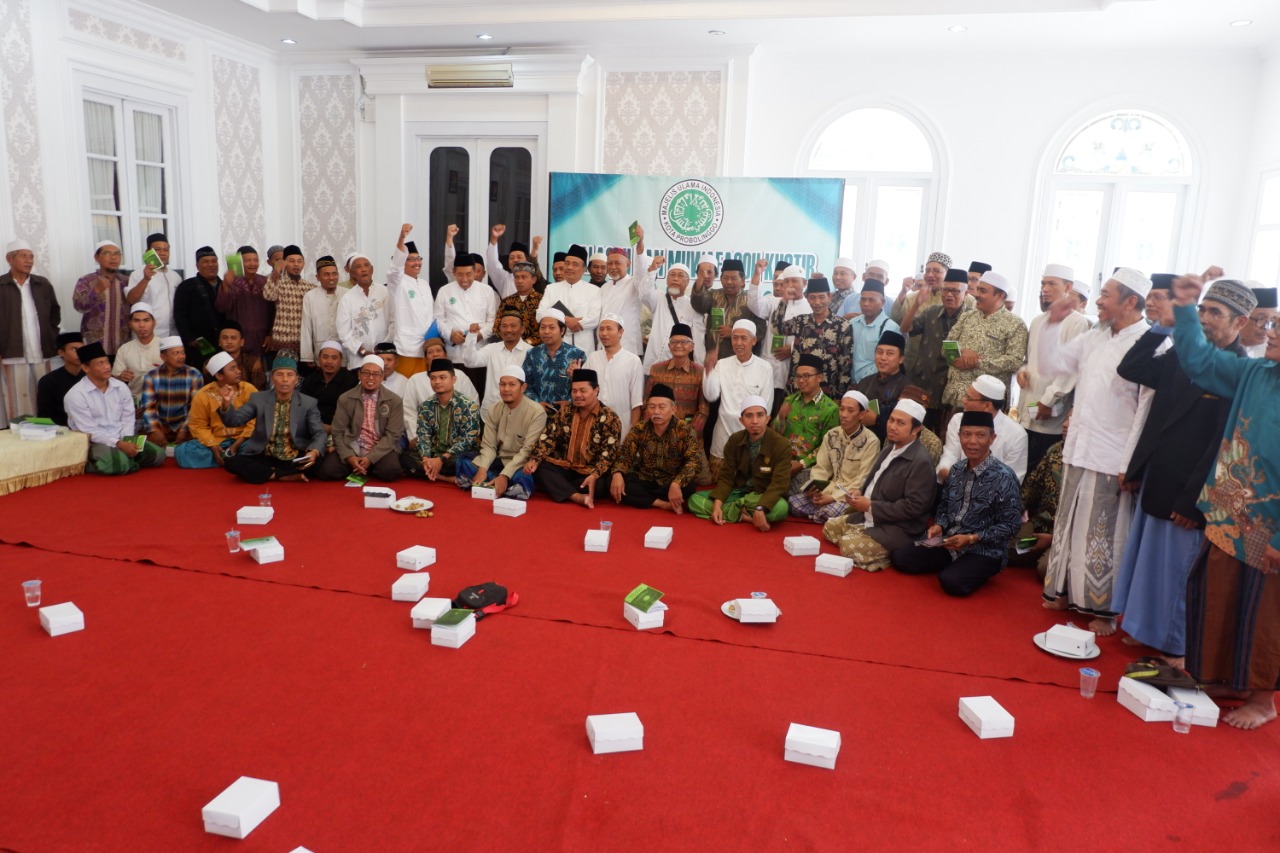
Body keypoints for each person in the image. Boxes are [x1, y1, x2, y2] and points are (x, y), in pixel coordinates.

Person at [1112, 279, 1254, 665]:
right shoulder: (1183, 353)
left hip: (1189, 492)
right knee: (1148, 566)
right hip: (1157, 476)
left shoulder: (1239, 371)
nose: (1204, 318)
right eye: (1202, 309)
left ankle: (1174, 647)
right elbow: (1133, 367)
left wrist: (1195, 502)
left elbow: (1221, 446)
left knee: (1177, 573)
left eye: (1215, 313)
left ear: (1240, 323)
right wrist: (1162, 325)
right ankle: (1145, 631)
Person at [1170, 274, 1280, 729]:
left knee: (1264, 613)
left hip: (1269, 528)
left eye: (1279, 329)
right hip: (1228, 511)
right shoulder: (1256, 371)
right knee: (1218, 597)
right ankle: (1223, 677)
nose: (1270, 332)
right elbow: (1198, 360)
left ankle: (1262, 699)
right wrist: (1184, 308)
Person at [1038, 268, 1153, 635]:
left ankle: (1104, 610)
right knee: (1069, 525)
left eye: (1106, 294)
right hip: (1078, 446)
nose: (1098, 301)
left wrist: (1129, 464)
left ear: (1131, 302)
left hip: (1113, 455)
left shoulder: (1150, 343)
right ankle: (1062, 592)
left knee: (1106, 533)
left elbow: (1146, 414)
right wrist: (1055, 322)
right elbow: (1051, 363)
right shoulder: (1094, 337)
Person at [891, 411, 1023, 596]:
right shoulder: (956, 470)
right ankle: (955, 563)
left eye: (980, 435)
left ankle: (968, 567)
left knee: (952, 583)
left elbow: (1011, 525)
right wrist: (939, 525)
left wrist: (972, 538)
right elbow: (944, 505)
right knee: (901, 558)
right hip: (950, 540)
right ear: (959, 436)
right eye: (966, 434)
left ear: (992, 438)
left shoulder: (1004, 477)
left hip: (984, 548)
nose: (972, 442)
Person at [821, 399, 938, 571]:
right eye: (891, 420)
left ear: (916, 429)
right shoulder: (890, 447)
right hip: (870, 515)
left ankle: (888, 555)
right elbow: (875, 483)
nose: (892, 426)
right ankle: (864, 539)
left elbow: (914, 507)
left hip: (898, 528)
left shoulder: (920, 462)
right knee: (830, 528)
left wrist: (870, 506)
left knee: (848, 546)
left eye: (901, 423)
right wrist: (859, 492)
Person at [1017, 264, 1091, 473]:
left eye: (1052, 283)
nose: (1045, 288)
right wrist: (1023, 371)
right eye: (1043, 283)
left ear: (1068, 287)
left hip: (1050, 413)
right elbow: (1031, 358)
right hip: (1027, 407)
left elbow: (1070, 371)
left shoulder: (1077, 323)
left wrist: (1047, 401)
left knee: (1041, 471)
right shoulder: (1038, 320)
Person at [689, 395, 792, 530]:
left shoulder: (781, 444)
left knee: (781, 508)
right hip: (738, 492)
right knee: (693, 500)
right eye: (749, 416)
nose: (755, 421)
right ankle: (745, 516)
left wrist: (761, 507)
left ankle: (740, 510)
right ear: (742, 420)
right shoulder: (735, 440)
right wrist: (717, 504)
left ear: (767, 419)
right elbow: (726, 477)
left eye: (759, 415)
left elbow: (780, 484)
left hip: (762, 496)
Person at [219, 357, 327, 484]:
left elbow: (319, 432)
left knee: (319, 463)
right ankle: (280, 475)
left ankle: (266, 473)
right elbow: (235, 421)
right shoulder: (258, 398)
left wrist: (314, 451)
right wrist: (226, 405)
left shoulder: (308, 402)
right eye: (280, 375)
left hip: (294, 455)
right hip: (265, 455)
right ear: (272, 378)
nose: (285, 379)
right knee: (231, 462)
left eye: (290, 375)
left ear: (296, 379)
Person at [526, 368, 622, 507]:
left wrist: (594, 475)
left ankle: (563, 490)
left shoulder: (610, 418)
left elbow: (609, 454)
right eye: (574, 391)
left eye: (583, 391)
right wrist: (534, 460)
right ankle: (576, 496)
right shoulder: (565, 412)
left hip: (590, 473)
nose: (577, 395)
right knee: (540, 467)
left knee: (604, 484)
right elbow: (548, 438)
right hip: (566, 469)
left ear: (596, 390)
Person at [64, 341, 164, 475]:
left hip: (121, 437)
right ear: (85, 368)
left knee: (158, 455)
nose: (106, 367)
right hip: (94, 441)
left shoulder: (120, 387)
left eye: (107, 362)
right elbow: (89, 430)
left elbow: (128, 417)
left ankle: (123, 461)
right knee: (117, 464)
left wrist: (126, 439)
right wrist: (118, 443)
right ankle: (88, 463)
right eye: (100, 363)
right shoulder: (76, 395)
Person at [940, 270, 1028, 415]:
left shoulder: (1015, 324)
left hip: (985, 401)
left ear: (1000, 295)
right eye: (978, 289)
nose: (977, 294)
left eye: (983, 291)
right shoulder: (967, 317)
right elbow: (946, 347)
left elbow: (1014, 361)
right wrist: (961, 354)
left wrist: (977, 362)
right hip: (954, 397)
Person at [788, 389, 881, 523]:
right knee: (793, 503)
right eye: (841, 409)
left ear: (861, 415)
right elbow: (821, 467)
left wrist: (833, 498)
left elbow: (862, 480)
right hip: (828, 490)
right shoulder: (832, 435)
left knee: (829, 511)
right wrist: (817, 491)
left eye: (850, 411)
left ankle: (823, 515)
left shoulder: (871, 441)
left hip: (849, 496)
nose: (844, 415)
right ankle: (823, 516)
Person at [608, 383, 702, 513]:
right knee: (615, 481)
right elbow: (625, 454)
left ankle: (647, 500)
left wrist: (677, 483)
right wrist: (618, 473)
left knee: (690, 485)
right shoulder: (639, 429)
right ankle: (662, 504)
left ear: (673, 409)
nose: (656, 412)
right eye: (652, 407)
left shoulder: (686, 430)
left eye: (661, 407)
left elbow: (694, 462)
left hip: (671, 481)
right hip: (645, 479)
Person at [456, 365, 545, 500]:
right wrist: (483, 468)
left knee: (525, 474)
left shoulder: (536, 412)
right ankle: (502, 485)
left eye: (512, 385)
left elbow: (527, 451)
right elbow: (489, 445)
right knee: (463, 461)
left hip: (519, 463)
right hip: (497, 460)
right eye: (502, 384)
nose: (506, 389)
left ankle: (496, 482)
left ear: (523, 387)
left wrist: (505, 475)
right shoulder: (494, 409)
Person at [314, 354, 405, 482]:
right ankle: (357, 465)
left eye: (376, 374)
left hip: (380, 448)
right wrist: (350, 457)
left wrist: (371, 458)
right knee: (327, 471)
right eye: (366, 373)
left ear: (382, 376)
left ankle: (365, 465)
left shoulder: (394, 400)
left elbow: (393, 435)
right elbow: (338, 432)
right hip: (352, 446)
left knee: (390, 471)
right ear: (359, 375)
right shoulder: (345, 398)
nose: (370, 378)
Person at [902, 269, 972, 432]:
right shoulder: (931, 312)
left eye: (955, 291)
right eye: (945, 290)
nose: (949, 295)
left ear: (966, 293)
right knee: (918, 432)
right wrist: (917, 304)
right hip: (924, 382)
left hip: (951, 388)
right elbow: (905, 328)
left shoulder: (972, 318)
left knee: (945, 434)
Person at [702, 319, 773, 476]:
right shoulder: (722, 364)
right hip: (722, 435)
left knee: (745, 489)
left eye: (743, 338)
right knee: (717, 485)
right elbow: (711, 395)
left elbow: (766, 407)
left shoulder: (764, 368)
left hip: (749, 438)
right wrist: (708, 370)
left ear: (754, 340)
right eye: (735, 337)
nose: (738, 343)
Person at [1, 239, 61, 422]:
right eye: (23, 256)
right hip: (12, 353)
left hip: (42, 352)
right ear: (9, 259)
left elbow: (54, 313)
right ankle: (23, 444)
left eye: (31, 257)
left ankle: (46, 440)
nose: (29, 261)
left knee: (44, 397)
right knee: (19, 402)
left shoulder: (42, 284)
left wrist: (51, 336)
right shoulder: (1, 285)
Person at [937, 374, 1028, 483]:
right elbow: (950, 454)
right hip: (955, 485)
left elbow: (1012, 479)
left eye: (969, 398)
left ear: (987, 406)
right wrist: (945, 471)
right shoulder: (958, 420)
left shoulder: (1016, 435)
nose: (963, 401)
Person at [177, 350, 257, 469]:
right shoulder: (203, 395)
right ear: (219, 376)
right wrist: (213, 445)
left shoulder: (248, 389)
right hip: (217, 441)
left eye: (237, 367)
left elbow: (255, 420)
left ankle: (226, 459)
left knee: (258, 446)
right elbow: (198, 425)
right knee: (182, 451)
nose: (238, 371)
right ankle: (231, 459)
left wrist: (236, 445)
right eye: (232, 369)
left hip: (243, 440)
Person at [748, 261, 811, 409]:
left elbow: (814, 340)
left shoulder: (810, 307)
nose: (790, 285)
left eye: (794, 281)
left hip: (792, 372)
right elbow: (753, 304)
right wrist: (757, 274)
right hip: (768, 366)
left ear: (804, 282)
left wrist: (791, 349)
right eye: (786, 281)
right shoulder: (773, 302)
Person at [773, 353, 839, 494]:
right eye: (798, 376)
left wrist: (801, 464)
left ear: (819, 377)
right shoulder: (789, 401)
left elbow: (827, 447)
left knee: (796, 491)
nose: (801, 381)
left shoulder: (830, 409)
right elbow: (774, 435)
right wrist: (781, 418)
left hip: (809, 466)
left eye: (806, 376)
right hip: (783, 461)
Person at [404, 358, 480, 481]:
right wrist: (426, 458)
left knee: (466, 462)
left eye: (442, 377)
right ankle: (446, 477)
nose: (437, 382)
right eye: (433, 378)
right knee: (405, 457)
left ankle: (432, 472)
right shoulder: (426, 406)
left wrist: (442, 459)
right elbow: (423, 436)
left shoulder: (468, 406)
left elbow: (468, 440)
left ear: (453, 379)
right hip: (434, 453)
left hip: (454, 455)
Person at [778, 275, 852, 396]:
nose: (817, 302)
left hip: (827, 392)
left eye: (821, 297)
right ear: (807, 298)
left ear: (830, 297)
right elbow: (776, 328)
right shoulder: (800, 321)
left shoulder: (843, 326)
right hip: (797, 391)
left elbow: (846, 363)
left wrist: (840, 395)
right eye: (812, 297)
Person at [1013, 415, 1068, 577]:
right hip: (1040, 527)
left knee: (1045, 569)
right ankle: (1036, 550)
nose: (1064, 424)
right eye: (1067, 419)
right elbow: (1031, 488)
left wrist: (1052, 539)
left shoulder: (1094, 465)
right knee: (1005, 547)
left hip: (1067, 539)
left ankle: (1045, 552)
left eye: (1073, 420)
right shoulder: (1055, 451)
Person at [435, 250, 496, 387]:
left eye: (469, 274)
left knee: (478, 393)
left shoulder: (487, 291)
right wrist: (450, 335)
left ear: (475, 272)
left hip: (479, 353)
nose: (464, 279)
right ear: (454, 272)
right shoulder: (444, 291)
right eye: (460, 274)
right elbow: (438, 319)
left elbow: (492, 321)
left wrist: (479, 335)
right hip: (454, 355)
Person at [402, 336, 479, 442]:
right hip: (426, 436)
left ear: (446, 355)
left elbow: (472, 403)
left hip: (459, 436)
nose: (435, 354)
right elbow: (409, 411)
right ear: (425, 359)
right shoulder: (415, 380)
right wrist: (415, 437)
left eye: (438, 350)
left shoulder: (460, 375)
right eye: (430, 352)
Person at [690, 258, 765, 367]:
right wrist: (700, 282)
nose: (729, 282)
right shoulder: (713, 295)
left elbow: (761, 329)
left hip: (742, 363)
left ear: (743, 280)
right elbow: (699, 305)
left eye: (733, 278)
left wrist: (734, 333)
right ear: (720, 279)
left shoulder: (751, 301)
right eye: (725, 278)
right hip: (713, 361)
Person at [386, 224, 437, 377]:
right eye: (411, 259)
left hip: (426, 347)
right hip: (407, 347)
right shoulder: (397, 282)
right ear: (402, 262)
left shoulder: (424, 284)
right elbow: (395, 269)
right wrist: (402, 237)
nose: (417, 262)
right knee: (406, 388)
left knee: (423, 387)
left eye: (418, 258)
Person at [138, 336, 203, 448]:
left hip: (185, 424)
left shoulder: (194, 374)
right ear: (163, 357)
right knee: (144, 446)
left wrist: (184, 430)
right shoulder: (152, 376)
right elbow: (149, 407)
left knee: (198, 442)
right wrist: (155, 430)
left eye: (182, 352)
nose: (181, 357)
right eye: (176, 353)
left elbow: (197, 407)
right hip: (160, 424)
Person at [640, 259, 706, 366]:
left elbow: (698, 341)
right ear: (666, 280)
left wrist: (699, 368)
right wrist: (652, 270)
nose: (675, 278)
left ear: (688, 281)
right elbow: (644, 294)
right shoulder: (658, 299)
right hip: (651, 365)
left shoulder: (693, 307)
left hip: (677, 369)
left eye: (680, 275)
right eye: (672, 275)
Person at [584, 314, 644, 431]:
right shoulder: (593, 357)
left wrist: (632, 433)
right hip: (594, 424)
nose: (604, 333)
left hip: (622, 425)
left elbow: (636, 403)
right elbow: (585, 389)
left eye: (609, 329)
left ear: (620, 332)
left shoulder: (633, 360)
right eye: (601, 329)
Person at [173, 246, 227, 372]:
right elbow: (179, 315)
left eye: (214, 261)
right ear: (197, 265)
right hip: (197, 345)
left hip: (223, 344)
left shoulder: (224, 285)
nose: (211, 265)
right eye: (206, 262)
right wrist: (189, 339)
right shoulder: (187, 286)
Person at [541, 244, 602, 354]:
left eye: (575, 264)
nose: (569, 267)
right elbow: (540, 314)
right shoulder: (551, 289)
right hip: (556, 347)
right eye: (567, 263)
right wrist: (566, 320)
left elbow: (594, 318)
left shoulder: (594, 290)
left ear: (583, 269)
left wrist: (569, 322)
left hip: (584, 347)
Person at [855, 330, 914, 444]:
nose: (883, 358)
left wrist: (877, 420)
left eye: (890, 354)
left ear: (901, 359)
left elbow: (905, 424)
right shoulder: (864, 382)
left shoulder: (907, 388)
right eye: (879, 352)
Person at [72, 241, 130, 356]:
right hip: (94, 347)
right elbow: (79, 306)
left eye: (117, 254)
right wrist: (96, 290)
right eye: (107, 253)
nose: (113, 257)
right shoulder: (86, 280)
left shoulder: (127, 281)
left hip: (123, 346)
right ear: (97, 258)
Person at [523, 308, 585, 413]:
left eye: (552, 328)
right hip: (536, 413)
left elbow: (586, 387)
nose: (546, 331)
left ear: (562, 330)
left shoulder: (577, 355)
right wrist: (537, 403)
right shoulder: (532, 354)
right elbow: (525, 384)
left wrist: (570, 402)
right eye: (543, 327)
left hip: (568, 414)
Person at [215, 245, 273, 358]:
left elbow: (273, 311)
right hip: (240, 341)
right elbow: (222, 307)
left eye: (255, 260)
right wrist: (226, 285)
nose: (252, 264)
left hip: (262, 340)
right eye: (247, 260)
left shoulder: (265, 281)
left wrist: (270, 334)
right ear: (240, 263)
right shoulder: (231, 282)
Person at [337, 253, 392, 369]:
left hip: (385, 358)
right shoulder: (347, 299)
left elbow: (394, 322)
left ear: (372, 270)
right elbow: (344, 333)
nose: (363, 269)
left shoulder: (386, 292)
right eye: (358, 267)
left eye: (366, 265)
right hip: (358, 361)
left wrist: (383, 349)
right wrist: (362, 351)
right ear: (351, 273)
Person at [262, 245, 317, 361]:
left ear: (304, 263)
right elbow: (268, 296)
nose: (296, 264)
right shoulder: (278, 283)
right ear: (284, 263)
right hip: (281, 343)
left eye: (299, 261)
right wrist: (277, 270)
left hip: (304, 344)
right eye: (291, 261)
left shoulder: (310, 287)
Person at [124, 232, 181, 338]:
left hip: (172, 334)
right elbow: (131, 299)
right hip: (147, 334)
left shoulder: (176, 276)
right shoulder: (137, 274)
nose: (163, 253)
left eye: (166, 250)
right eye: (158, 249)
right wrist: (146, 279)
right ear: (148, 252)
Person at [475, 312, 532, 410]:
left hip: (520, 410)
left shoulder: (530, 352)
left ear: (522, 329)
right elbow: (470, 361)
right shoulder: (491, 348)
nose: (508, 330)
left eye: (513, 326)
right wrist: (472, 335)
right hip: (491, 409)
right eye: (504, 326)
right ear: (500, 329)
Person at [298, 340, 357, 435]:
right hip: (312, 428)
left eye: (334, 358)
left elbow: (353, 413)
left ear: (341, 360)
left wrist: (332, 428)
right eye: (325, 357)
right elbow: (303, 408)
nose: (329, 362)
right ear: (319, 358)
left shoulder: (350, 381)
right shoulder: (310, 380)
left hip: (341, 431)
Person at [299, 256, 345, 371]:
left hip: (345, 350)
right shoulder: (310, 296)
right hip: (321, 350)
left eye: (335, 274)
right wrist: (307, 356)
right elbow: (306, 328)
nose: (332, 278)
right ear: (317, 277)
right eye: (326, 274)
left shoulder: (347, 294)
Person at [850, 278, 898, 384]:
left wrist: (864, 383)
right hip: (850, 383)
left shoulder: (890, 328)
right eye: (863, 299)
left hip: (875, 384)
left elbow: (889, 362)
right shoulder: (852, 323)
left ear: (882, 302)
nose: (866, 304)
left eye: (871, 300)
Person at [112, 303, 162, 402]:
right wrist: (121, 377)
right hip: (133, 402)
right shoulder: (125, 349)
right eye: (136, 321)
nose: (141, 325)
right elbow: (114, 380)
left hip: (162, 401)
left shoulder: (164, 346)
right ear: (130, 324)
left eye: (146, 320)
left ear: (154, 323)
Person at [486, 224, 548, 301]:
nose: (515, 260)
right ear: (508, 264)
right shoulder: (504, 279)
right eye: (512, 258)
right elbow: (493, 264)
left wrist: (534, 250)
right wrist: (494, 238)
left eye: (519, 257)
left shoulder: (534, 279)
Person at [36, 333, 85, 427]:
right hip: (61, 430)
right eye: (75, 349)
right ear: (61, 353)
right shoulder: (48, 381)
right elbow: (44, 416)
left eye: (83, 349)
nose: (80, 353)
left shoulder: (91, 377)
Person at [492, 258, 543, 346]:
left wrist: (526, 343)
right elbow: (497, 328)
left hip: (534, 349)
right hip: (509, 348)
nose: (519, 281)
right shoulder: (507, 302)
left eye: (524, 277)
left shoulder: (542, 301)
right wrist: (511, 340)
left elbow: (546, 328)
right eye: (517, 277)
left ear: (533, 279)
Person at [211, 320, 267, 390]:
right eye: (225, 338)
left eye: (233, 338)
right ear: (219, 342)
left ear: (242, 342)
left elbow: (259, 391)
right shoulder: (211, 363)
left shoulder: (253, 362)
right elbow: (208, 390)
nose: (229, 342)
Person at [1241, 285, 1277, 358]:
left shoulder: (1273, 355)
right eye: (1261, 318)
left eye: (1272, 320)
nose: (1266, 327)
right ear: (1240, 320)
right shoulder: (1219, 350)